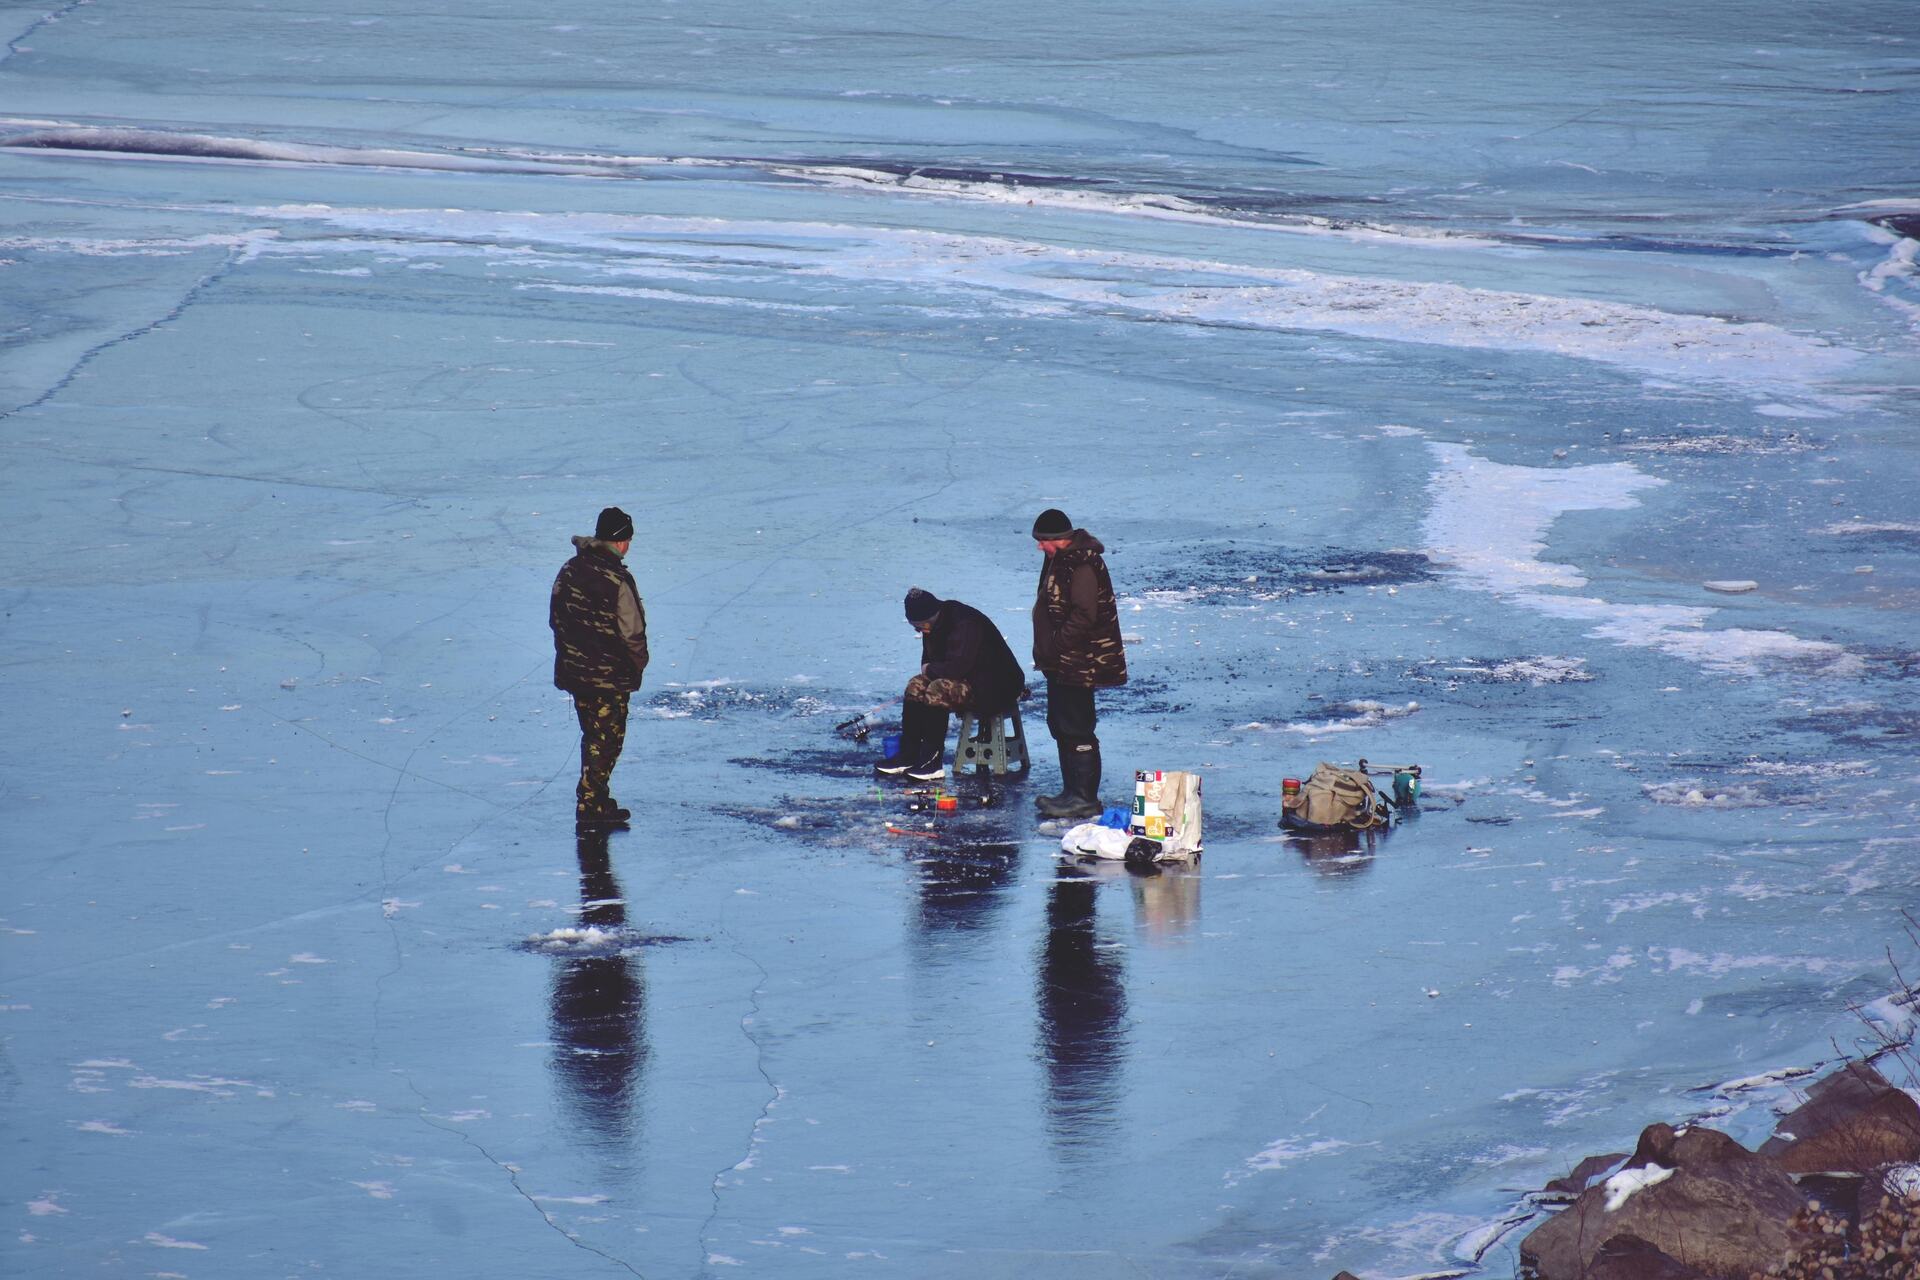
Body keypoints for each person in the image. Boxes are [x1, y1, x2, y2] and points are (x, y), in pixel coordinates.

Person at [551, 507, 649, 827]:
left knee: (593, 734)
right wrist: (637, 665)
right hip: (609, 677)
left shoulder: (570, 569)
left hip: (576, 671)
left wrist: (570, 655)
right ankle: (590, 803)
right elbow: (632, 631)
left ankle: (596, 798)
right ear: (621, 542)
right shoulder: (617, 579)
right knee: (606, 740)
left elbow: (557, 618)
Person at [1030, 508, 1127, 818]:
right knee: (1060, 724)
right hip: (1061, 662)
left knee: (1077, 725)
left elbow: (1085, 615)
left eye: (1042, 541)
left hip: (1079, 660)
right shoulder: (1057, 560)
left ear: (1058, 539)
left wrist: (1057, 644)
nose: (1039, 547)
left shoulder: (1081, 564)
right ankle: (1071, 792)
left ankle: (1084, 797)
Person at [876, 587, 1026, 782]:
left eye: (921, 627)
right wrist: (929, 671)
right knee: (915, 686)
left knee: (937, 690)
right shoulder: (932, 625)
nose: (921, 632)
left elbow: (956, 668)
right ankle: (909, 754)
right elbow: (930, 664)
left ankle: (932, 762)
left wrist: (930, 670)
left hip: (995, 685)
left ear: (932, 616)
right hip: (969, 678)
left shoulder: (965, 623)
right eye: (917, 628)